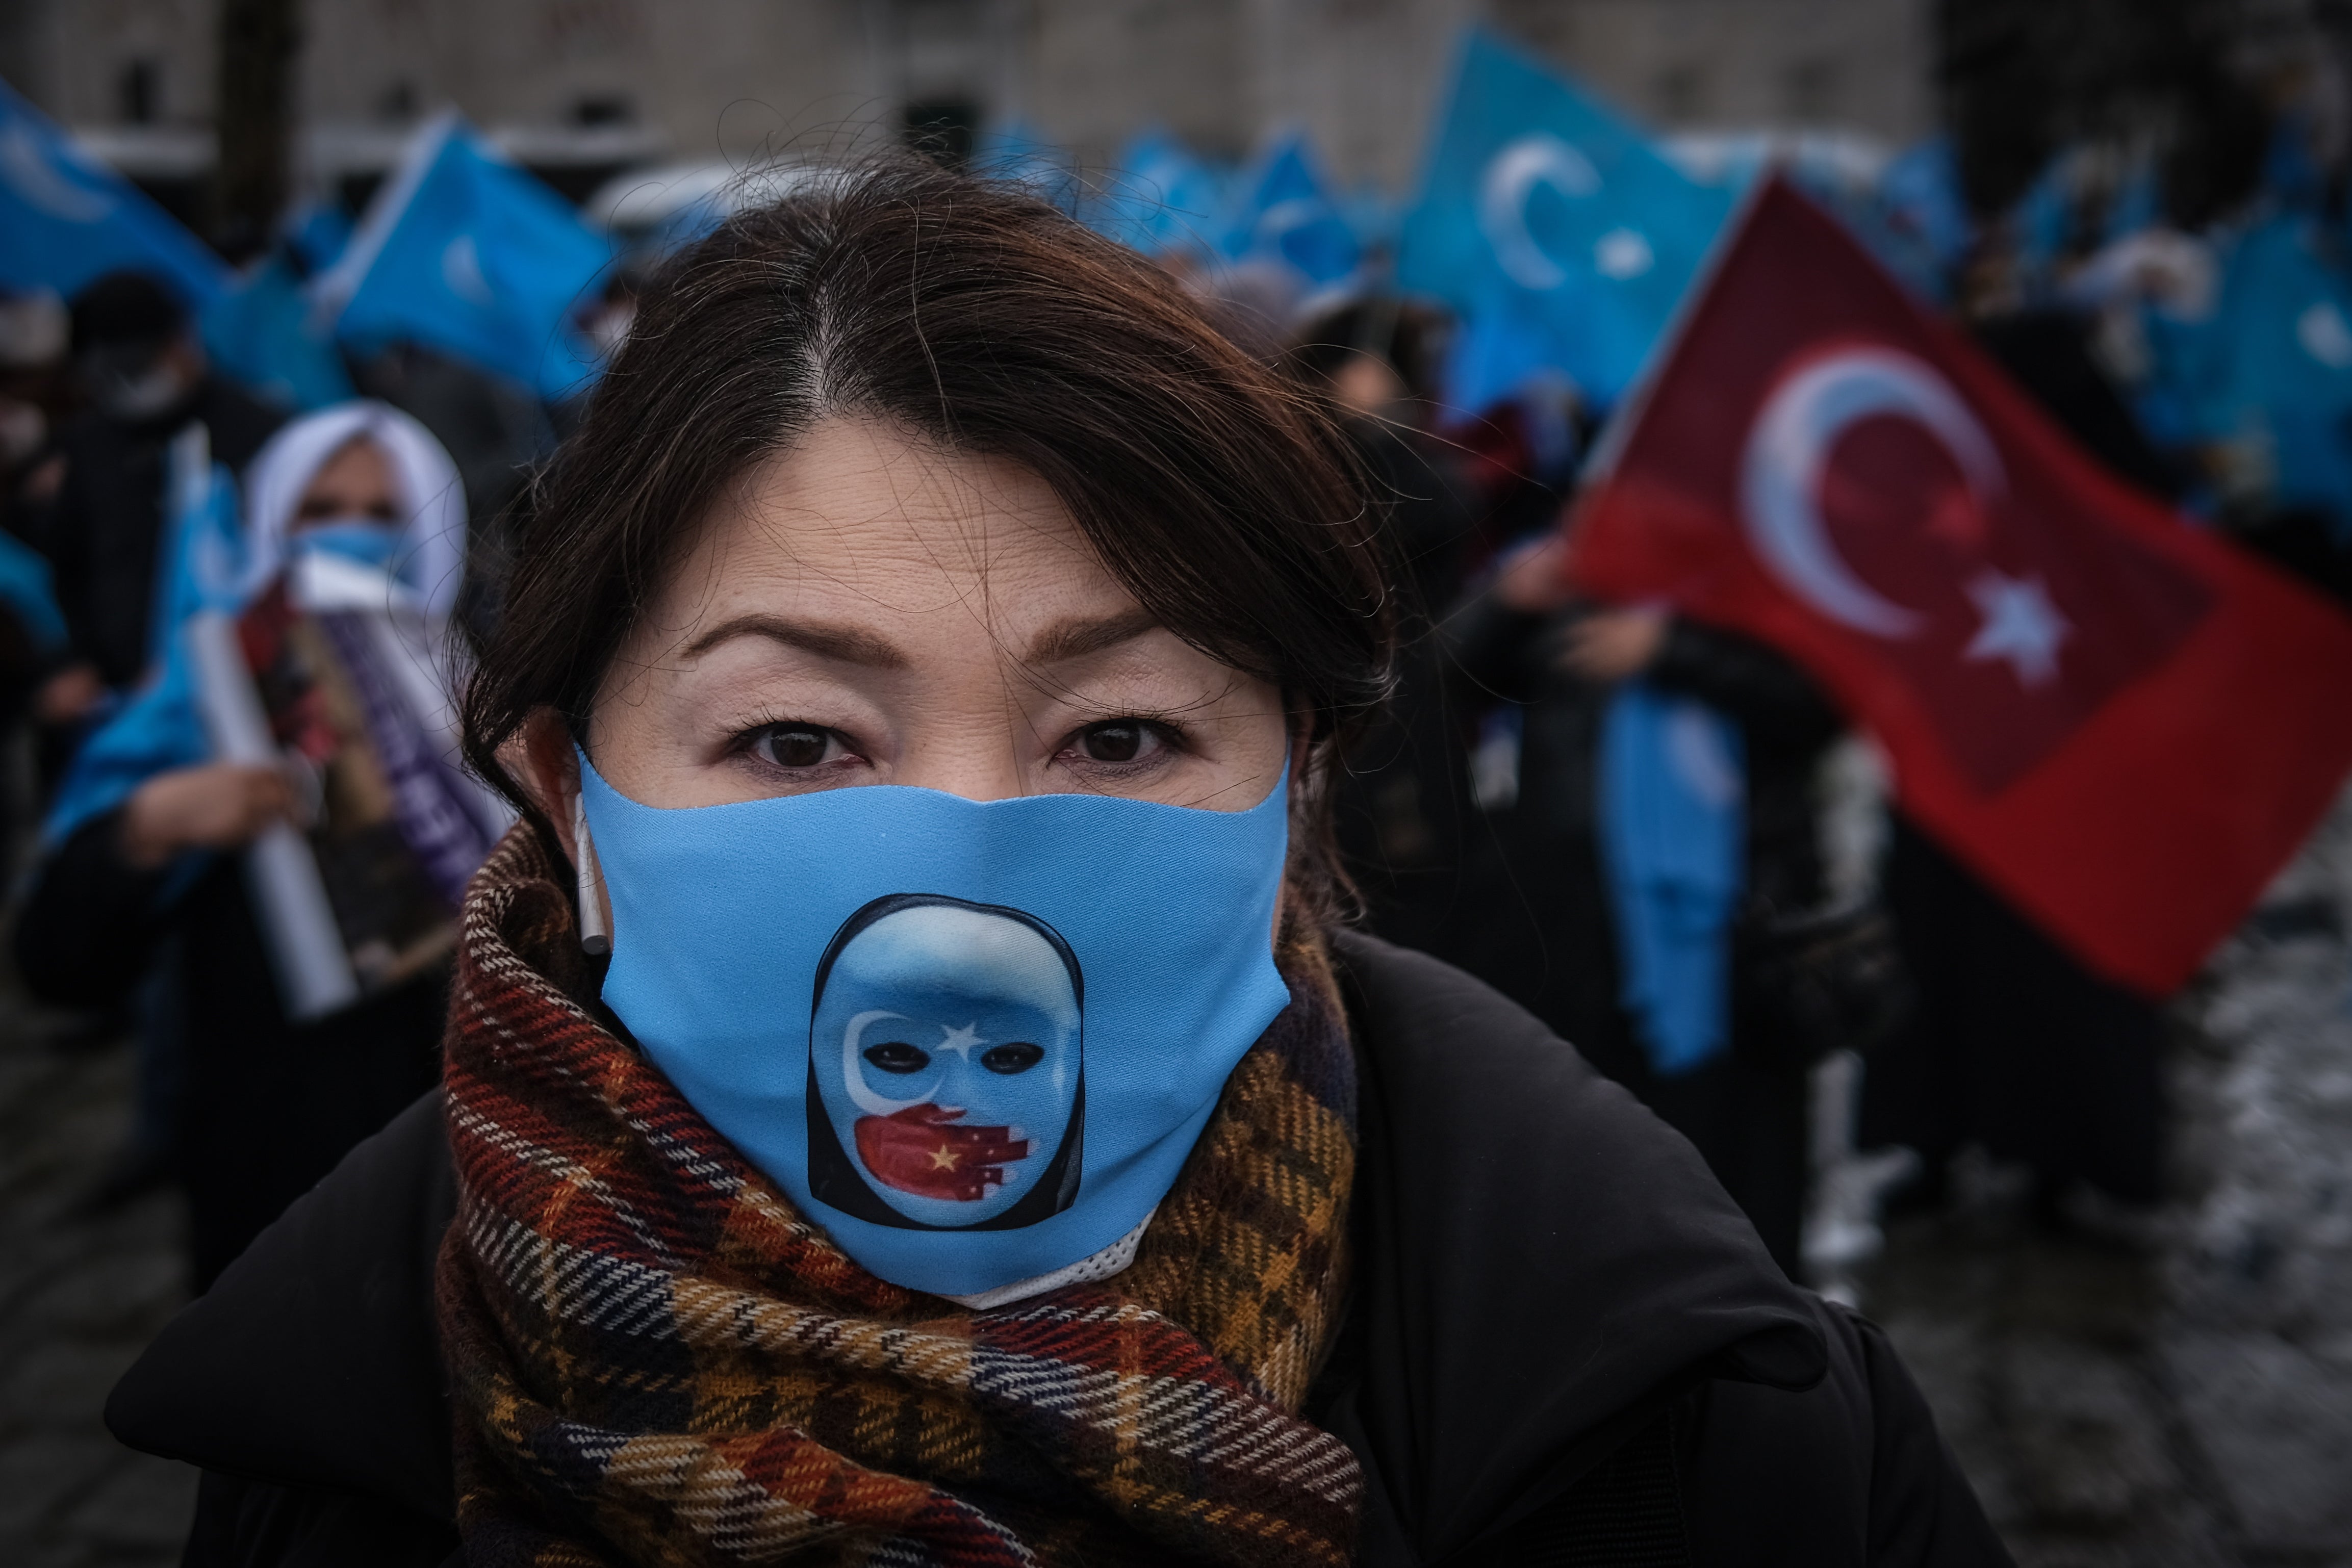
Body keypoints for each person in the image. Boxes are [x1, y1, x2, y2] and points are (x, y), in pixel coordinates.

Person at [108, 159, 2007, 1567]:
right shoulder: (328, 1447)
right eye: (795, 739)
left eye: (1120, 735)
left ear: (1299, 797)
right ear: (570, 800)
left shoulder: (1714, 1432)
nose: (966, 873)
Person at [15, 401, 473, 1288]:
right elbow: (59, 962)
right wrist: (146, 830)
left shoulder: (485, 686)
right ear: (271, 521)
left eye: (383, 515)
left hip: (482, 1178)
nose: (348, 537)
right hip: (285, 1183)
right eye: (317, 510)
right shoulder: (205, 703)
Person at [1447, 534, 1847, 1276]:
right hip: (1573, 924)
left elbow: (1822, 699)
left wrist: (1670, 649)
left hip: (1728, 927)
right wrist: (1505, 603)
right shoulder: (1580, 557)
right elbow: (1448, 676)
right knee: (1589, 1151)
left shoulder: (1772, 555)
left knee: (1730, 1159)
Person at [38, 272, 283, 710]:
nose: (131, 385)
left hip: (246, 687)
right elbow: (70, 568)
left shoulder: (258, 431)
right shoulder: (90, 446)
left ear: (184, 342)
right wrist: (79, 663)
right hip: (124, 696)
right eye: (114, 372)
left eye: (142, 365)